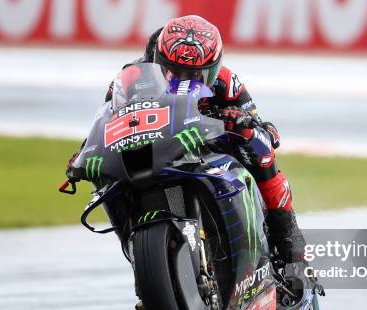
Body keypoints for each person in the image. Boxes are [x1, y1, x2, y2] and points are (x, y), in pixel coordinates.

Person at [67, 15, 306, 266]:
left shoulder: (226, 82)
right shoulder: (130, 80)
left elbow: (261, 126)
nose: (183, 79)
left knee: (259, 144)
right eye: (174, 71)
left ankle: (286, 231)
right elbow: (107, 120)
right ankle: (137, 250)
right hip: (155, 148)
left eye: (193, 73)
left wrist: (243, 122)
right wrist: (88, 150)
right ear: (158, 61)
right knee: (106, 177)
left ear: (211, 69)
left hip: (209, 147)